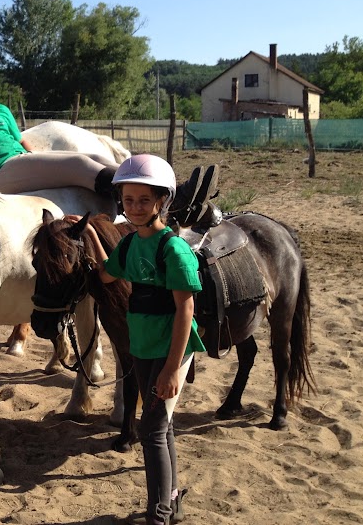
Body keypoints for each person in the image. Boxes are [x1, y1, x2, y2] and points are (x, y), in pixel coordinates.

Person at [67, 153, 210, 525]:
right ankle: (173, 501)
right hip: (141, 347)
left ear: (162, 201)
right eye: (128, 200)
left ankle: (159, 513)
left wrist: (173, 370)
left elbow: (185, 310)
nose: (135, 207)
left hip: (168, 348)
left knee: (151, 429)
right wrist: (88, 234)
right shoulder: (130, 245)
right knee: (162, 427)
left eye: (144, 200)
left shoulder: (173, 249)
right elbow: (106, 273)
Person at [0, 63, 121, 199]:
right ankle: (131, 198)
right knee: (79, 164)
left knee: (97, 158)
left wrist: (33, 157)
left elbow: (20, 140)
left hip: (19, 161)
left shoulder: (0, 111)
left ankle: (137, 187)